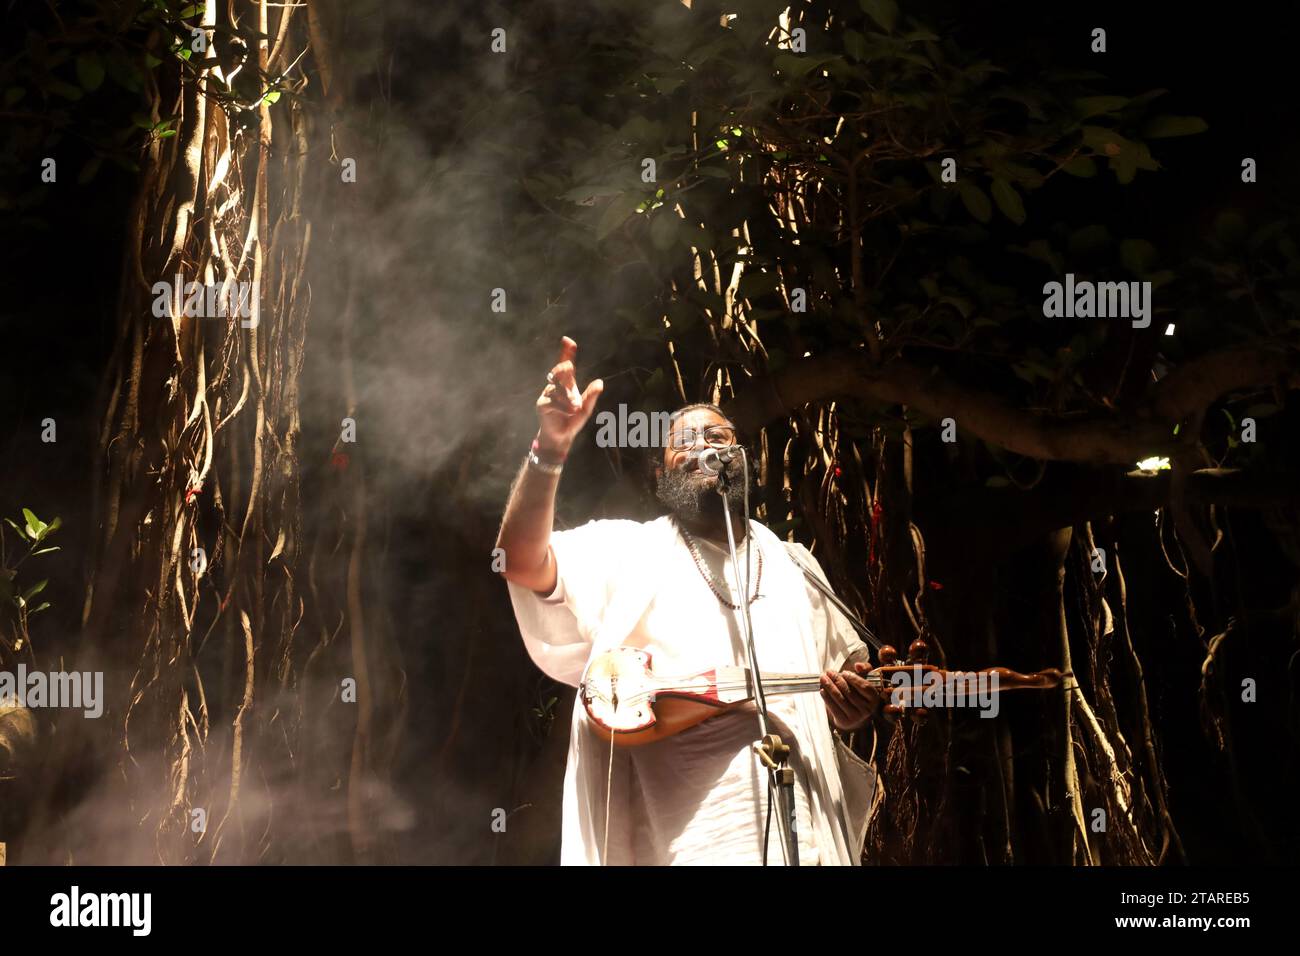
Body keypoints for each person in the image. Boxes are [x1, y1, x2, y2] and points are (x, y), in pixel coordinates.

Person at [496, 336, 885, 865]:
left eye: (719, 436)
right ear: (661, 472)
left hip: (810, 844)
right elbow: (519, 561)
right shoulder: (626, 553)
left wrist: (855, 707)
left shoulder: (796, 566)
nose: (707, 446)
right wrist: (551, 448)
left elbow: (845, 694)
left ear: (742, 460)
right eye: (688, 440)